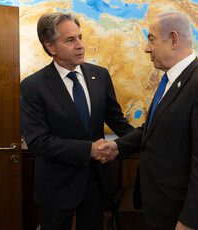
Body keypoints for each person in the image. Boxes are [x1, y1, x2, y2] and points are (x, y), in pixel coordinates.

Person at [99, 12, 198, 230]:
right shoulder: (170, 80)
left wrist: (189, 221)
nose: (146, 48)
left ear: (174, 39)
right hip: (159, 205)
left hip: (181, 214)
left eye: (151, 39)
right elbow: (150, 130)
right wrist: (116, 146)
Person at [20, 12, 134, 230]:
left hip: (95, 181)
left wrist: (145, 141)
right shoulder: (33, 86)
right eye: (70, 40)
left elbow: (118, 122)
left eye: (80, 37)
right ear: (50, 46)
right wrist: (89, 149)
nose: (80, 45)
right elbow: (38, 142)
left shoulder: (99, 75)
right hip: (56, 186)